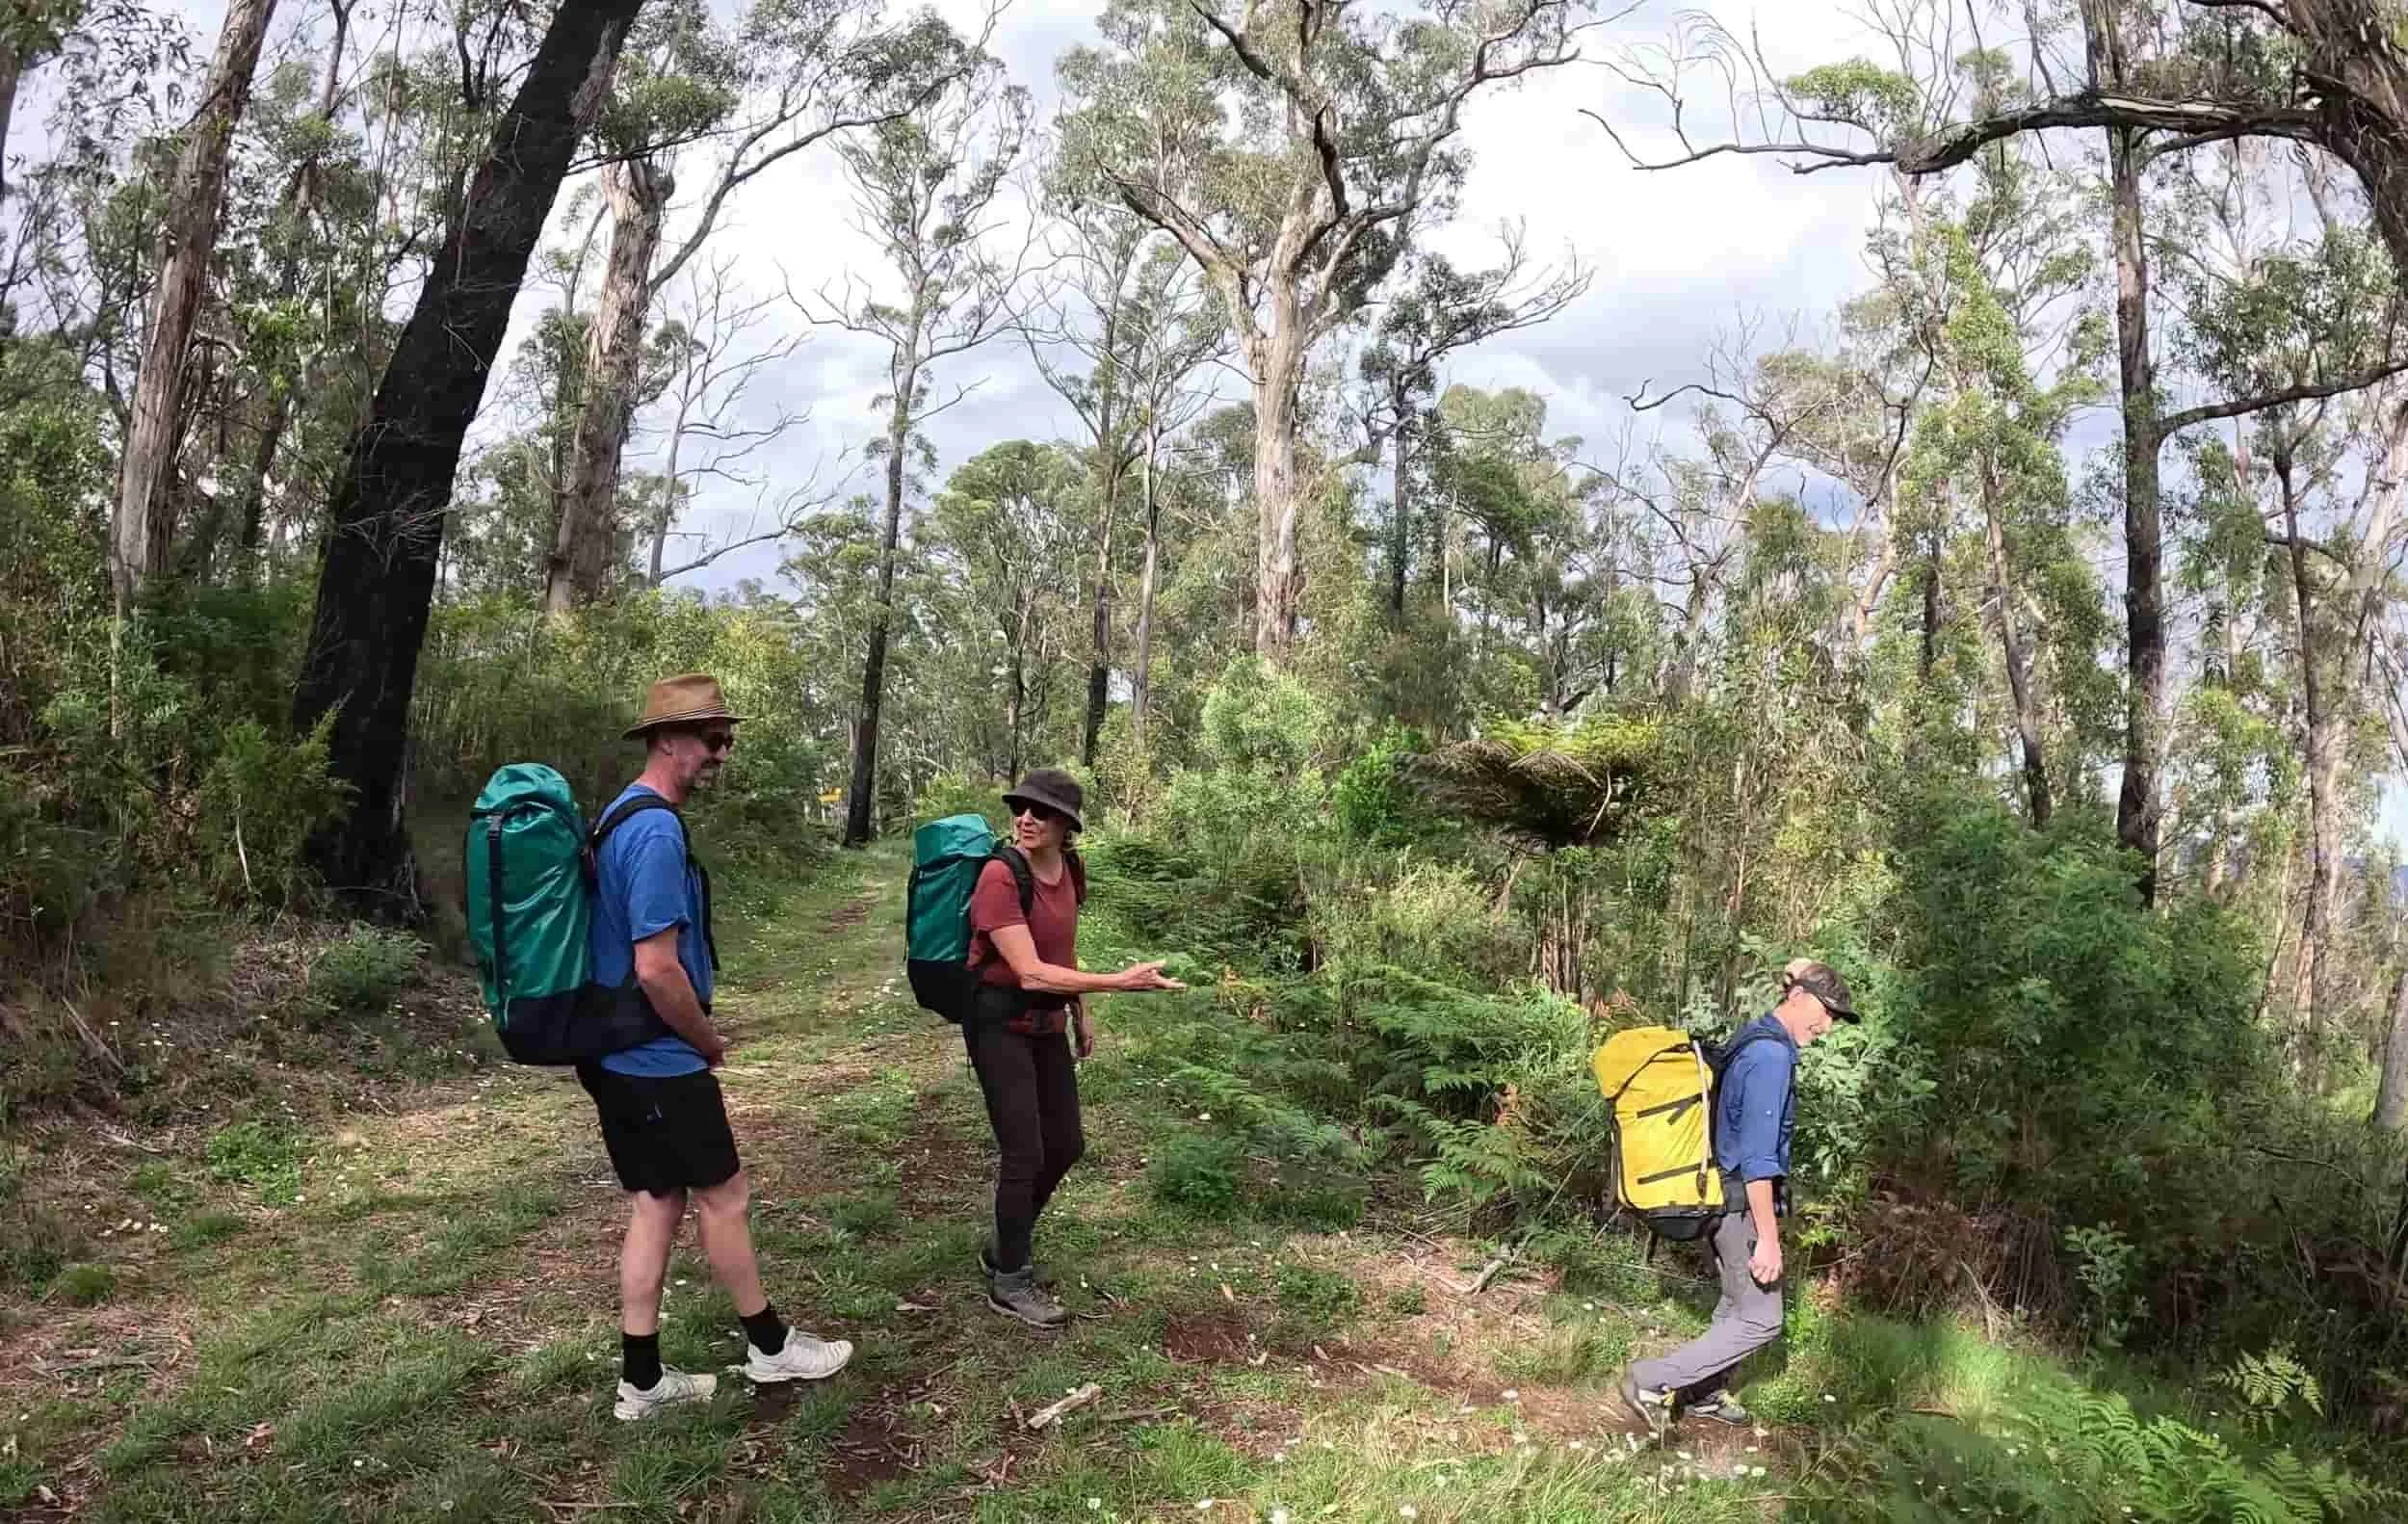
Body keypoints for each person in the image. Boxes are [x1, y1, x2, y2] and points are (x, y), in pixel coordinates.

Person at [582, 673, 856, 1420]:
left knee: (656, 1202)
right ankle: (771, 1348)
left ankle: (642, 1381)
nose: (722, 753)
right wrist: (709, 1041)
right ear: (666, 740)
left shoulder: (620, 816)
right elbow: (657, 965)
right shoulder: (656, 831)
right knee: (723, 1196)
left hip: (616, 1052)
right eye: (712, 738)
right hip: (658, 1055)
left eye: (725, 739)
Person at [963, 768, 1184, 1327]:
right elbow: (1031, 973)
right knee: (1025, 1152)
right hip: (997, 1021)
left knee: (1065, 1144)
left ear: (1067, 826)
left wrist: (1081, 1013)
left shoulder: (1069, 868)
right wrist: (1119, 983)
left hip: (1046, 1022)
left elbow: (1061, 949)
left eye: (1041, 811)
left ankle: (1003, 1242)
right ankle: (1010, 1279)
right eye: (1020, 808)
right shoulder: (998, 875)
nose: (1026, 818)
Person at [1616, 959, 1857, 1434]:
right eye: (1826, 1012)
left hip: (1717, 1194)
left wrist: (1799, 969)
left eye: (1834, 1018)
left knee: (1736, 1302)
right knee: (1762, 1320)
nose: (1828, 1026)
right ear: (1798, 998)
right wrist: (1768, 1239)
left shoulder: (1755, 1036)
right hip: (1740, 1205)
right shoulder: (1771, 1058)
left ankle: (1704, 1392)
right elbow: (1759, 1159)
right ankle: (1651, 1381)